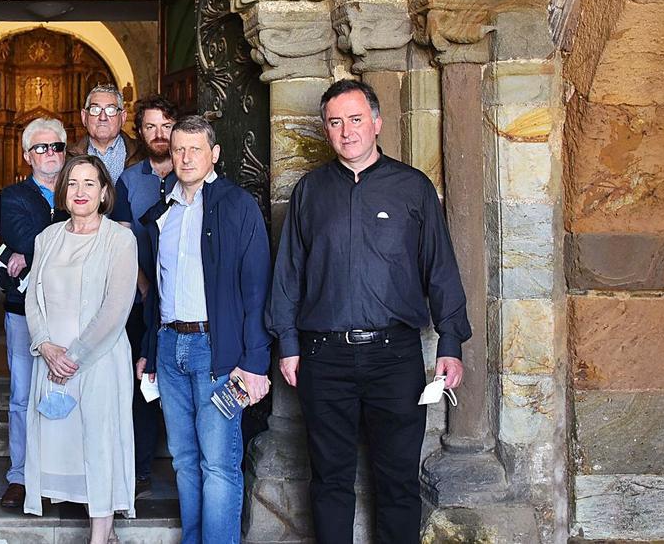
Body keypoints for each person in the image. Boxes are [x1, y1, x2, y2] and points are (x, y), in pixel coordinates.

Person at [265, 79, 472, 544]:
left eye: (356, 119)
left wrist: (451, 343)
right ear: (325, 130)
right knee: (329, 479)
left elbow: (440, 269)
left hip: (394, 357)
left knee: (398, 480)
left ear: (376, 123)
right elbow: (288, 274)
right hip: (323, 357)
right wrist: (288, 345)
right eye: (335, 122)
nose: (347, 131)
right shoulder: (309, 192)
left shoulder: (413, 188)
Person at [135, 115, 272, 544]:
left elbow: (256, 290)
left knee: (218, 463)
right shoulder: (161, 214)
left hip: (217, 350)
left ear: (214, 154)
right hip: (170, 345)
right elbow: (154, 293)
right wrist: (149, 349)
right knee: (183, 459)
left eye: (196, 149)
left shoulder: (237, 205)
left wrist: (254, 362)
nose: (186, 157)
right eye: (178, 149)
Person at [23, 155, 139, 544]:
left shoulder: (120, 239)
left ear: (104, 191)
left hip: (98, 361)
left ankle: (101, 532)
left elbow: (116, 307)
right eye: (73, 183)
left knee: (100, 442)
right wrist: (44, 344)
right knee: (65, 439)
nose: (80, 192)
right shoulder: (47, 237)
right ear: (63, 191)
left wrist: (73, 356)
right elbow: (32, 299)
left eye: (90, 183)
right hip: (51, 359)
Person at [0, 117, 69, 510]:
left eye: (56, 146)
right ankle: (21, 475)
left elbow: (95, 237)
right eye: (40, 148)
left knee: (66, 389)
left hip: (73, 312)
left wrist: (39, 244)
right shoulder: (13, 197)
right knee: (23, 394)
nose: (49, 154)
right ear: (27, 155)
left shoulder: (82, 186)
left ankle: (60, 473)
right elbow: (22, 238)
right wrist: (67, 232)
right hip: (24, 310)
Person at [111, 94, 178, 499]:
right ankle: (138, 470)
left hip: (187, 304)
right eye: (150, 127)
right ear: (140, 131)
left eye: (166, 126)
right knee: (141, 385)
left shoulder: (193, 173)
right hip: (140, 301)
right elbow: (121, 238)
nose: (158, 135)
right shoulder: (129, 181)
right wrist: (143, 286)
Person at [69, 84, 141, 183]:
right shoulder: (68, 157)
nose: (103, 117)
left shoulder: (142, 153)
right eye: (95, 110)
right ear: (84, 116)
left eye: (111, 110)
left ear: (123, 117)